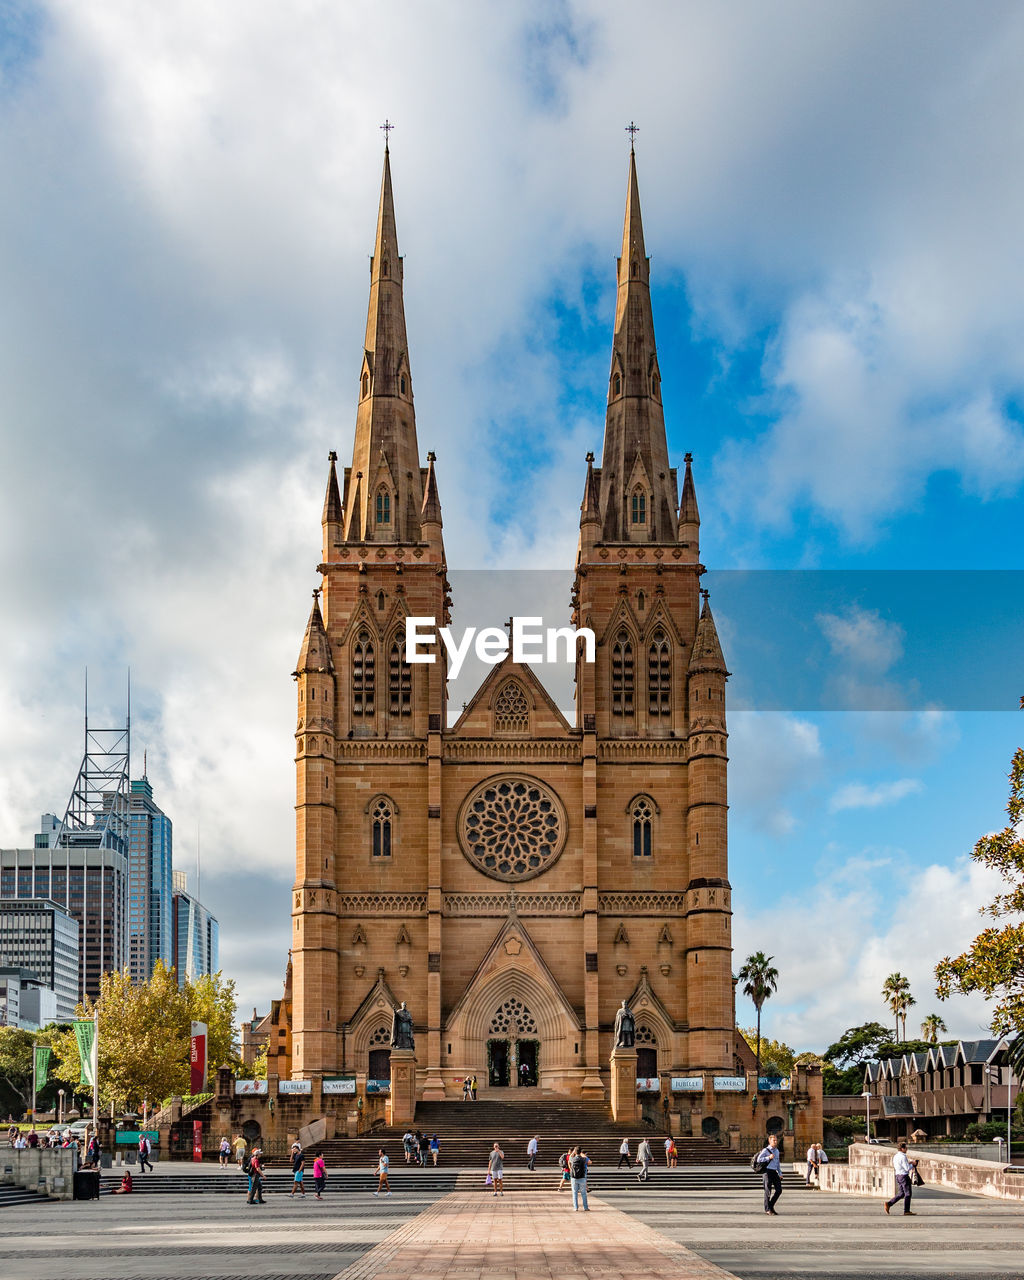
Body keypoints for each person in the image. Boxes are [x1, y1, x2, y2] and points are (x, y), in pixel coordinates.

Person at [883, 1141, 919, 1216]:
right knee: (908, 1194)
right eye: (906, 1148)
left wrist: (910, 1162)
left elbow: (900, 1165)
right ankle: (906, 1210)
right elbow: (906, 1168)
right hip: (904, 1176)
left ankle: (889, 1204)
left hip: (898, 1175)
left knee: (901, 1193)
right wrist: (913, 1164)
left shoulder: (896, 1156)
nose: (907, 1149)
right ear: (902, 1148)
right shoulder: (903, 1156)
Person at [755, 1133, 783, 1216]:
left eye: (776, 1140)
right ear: (769, 1141)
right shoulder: (765, 1150)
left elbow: (777, 1163)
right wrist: (768, 1158)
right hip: (767, 1172)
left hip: (774, 1171)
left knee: (779, 1190)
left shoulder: (777, 1151)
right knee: (768, 1191)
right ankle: (768, 1209)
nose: (775, 1142)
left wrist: (780, 1173)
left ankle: (770, 1205)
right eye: (773, 1140)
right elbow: (759, 1160)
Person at [569, 1145, 590, 1212]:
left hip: (574, 1178)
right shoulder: (584, 1159)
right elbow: (588, 1160)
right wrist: (581, 1153)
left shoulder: (572, 1159)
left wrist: (574, 1152)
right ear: (580, 1151)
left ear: (575, 1152)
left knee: (574, 1193)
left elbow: (570, 1157)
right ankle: (585, 1207)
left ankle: (575, 1207)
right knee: (583, 1193)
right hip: (582, 1178)